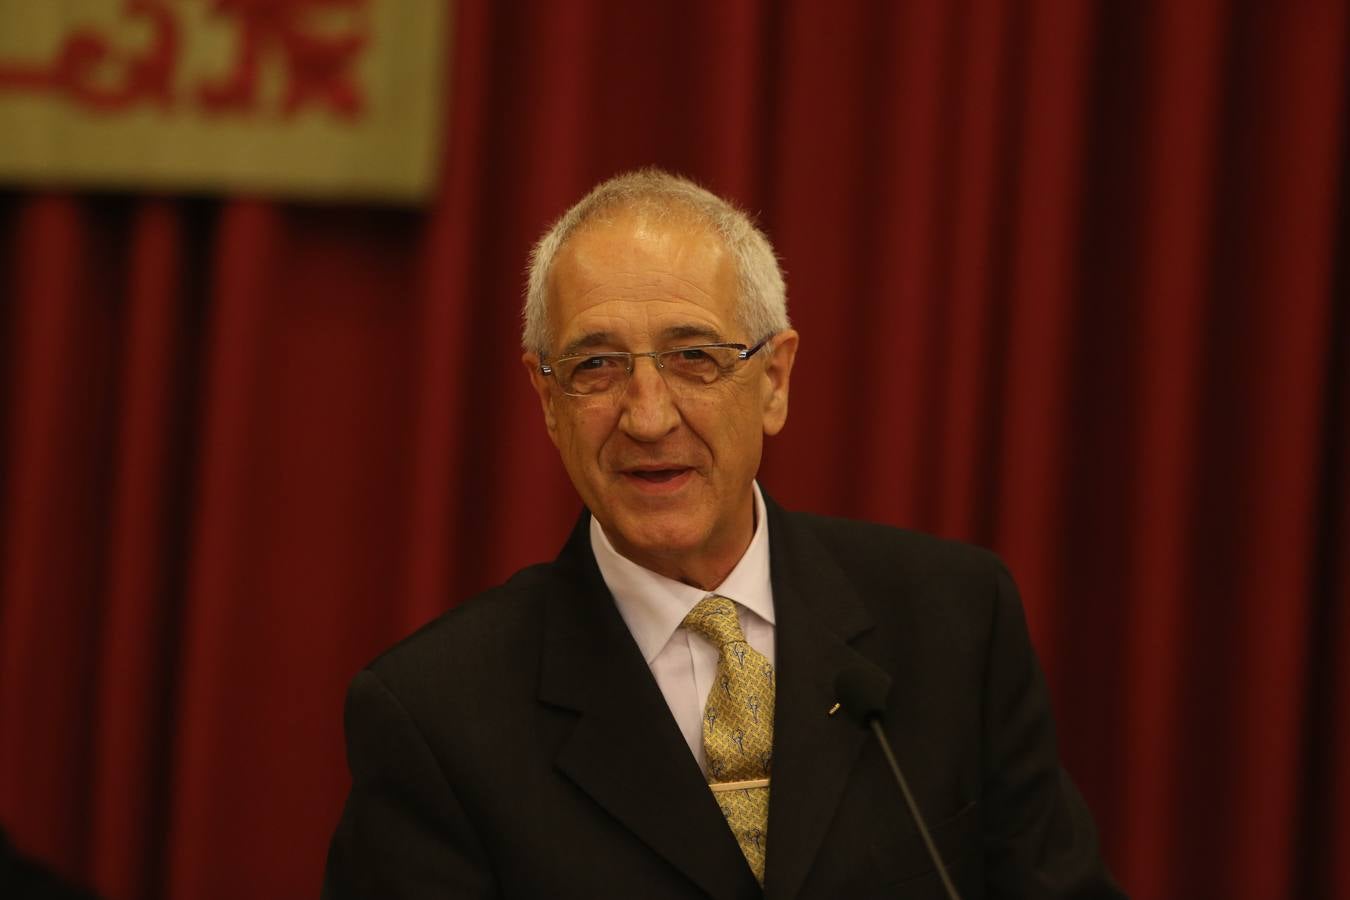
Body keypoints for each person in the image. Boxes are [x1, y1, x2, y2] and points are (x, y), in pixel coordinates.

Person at [323, 169, 1125, 898]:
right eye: (596, 366)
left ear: (773, 380)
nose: (647, 415)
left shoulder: (954, 623)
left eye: (694, 357)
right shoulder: (435, 714)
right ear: (546, 399)